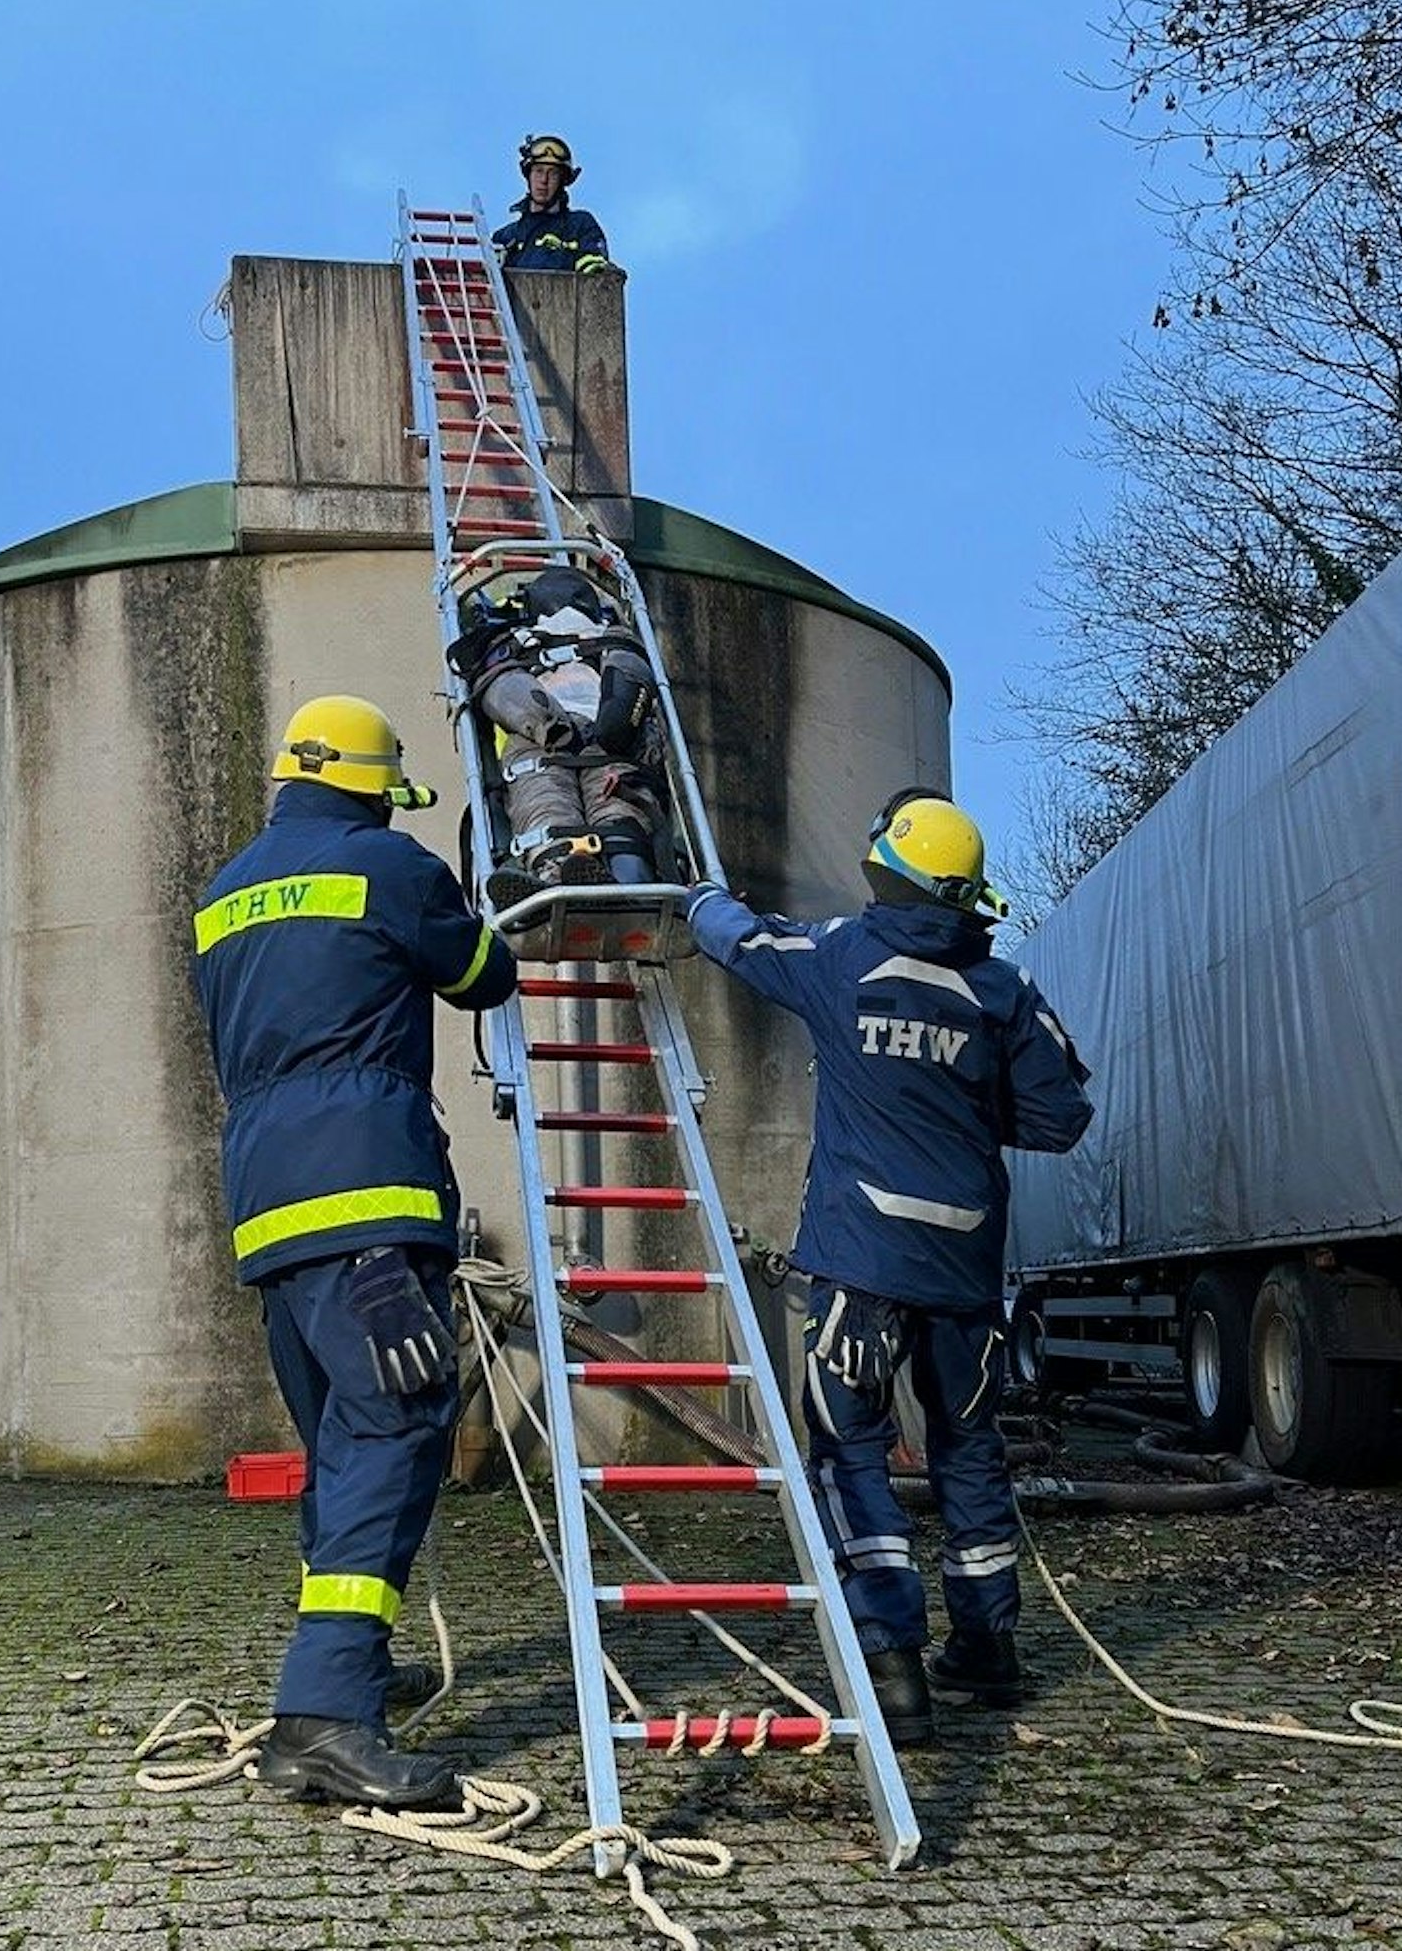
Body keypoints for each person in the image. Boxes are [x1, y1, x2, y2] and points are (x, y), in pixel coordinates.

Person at [685, 792, 1092, 1747]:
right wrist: (957, 1109)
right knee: (969, 1451)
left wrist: (698, 894)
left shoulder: (839, 957)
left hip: (859, 1268)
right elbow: (1061, 1117)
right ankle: (988, 1650)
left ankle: (892, 1662)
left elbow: (741, 944)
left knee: (850, 1449)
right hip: (964, 1273)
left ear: (885, 873)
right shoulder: (1005, 992)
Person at [190, 694, 518, 1807]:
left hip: (267, 1206)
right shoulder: (391, 864)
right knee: (391, 1429)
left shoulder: (221, 893)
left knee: (340, 1441)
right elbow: (482, 973)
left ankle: (350, 1669)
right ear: (377, 785)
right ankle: (323, 1714)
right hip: (369, 1197)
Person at [448, 564, 670, 907]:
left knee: (544, 805)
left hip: (543, 741)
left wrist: (545, 723)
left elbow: (498, 686)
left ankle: (552, 878)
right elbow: (633, 676)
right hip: (608, 739)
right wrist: (615, 726)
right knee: (616, 808)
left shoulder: (513, 642)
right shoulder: (614, 636)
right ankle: (626, 878)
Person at [492, 133, 614, 274]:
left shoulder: (580, 226)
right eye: (538, 171)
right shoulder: (506, 237)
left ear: (563, 181)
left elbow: (594, 278)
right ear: (528, 176)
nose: (544, 180)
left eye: (553, 173)